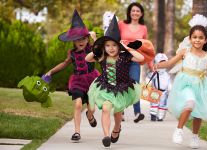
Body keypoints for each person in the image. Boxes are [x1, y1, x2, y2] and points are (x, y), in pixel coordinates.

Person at [154, 14, 207, 149]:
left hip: (201, 85)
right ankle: (179, 130)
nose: (197, 40)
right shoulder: (184, 52)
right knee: (190, 102)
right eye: (194, 37)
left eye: (200, 38)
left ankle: (195, 136)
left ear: (205, 40)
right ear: (190, 38)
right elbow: (169, 63)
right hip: (185, 83)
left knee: (199, 112)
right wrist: (158, 65)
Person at [86, 16, 144, 148]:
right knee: (106, 109)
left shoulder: (125, 57)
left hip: (121, 88)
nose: (111, 48)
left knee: (117, 113)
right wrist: (97, 46)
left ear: (119, 46)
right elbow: (87, 58)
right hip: (106, 87)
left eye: (114, 45)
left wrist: (127, 47)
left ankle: (117, 128)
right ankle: (106, 135)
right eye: (107, 45)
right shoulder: (102, 56)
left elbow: (141, 58)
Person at [45, 9, 99, 141]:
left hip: (92, 80)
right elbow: (64, 64)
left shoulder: (91, 49)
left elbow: (100, 51)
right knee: (78, 104)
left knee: (92, 107)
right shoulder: (72, 53)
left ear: (87, 39)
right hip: (77, 82)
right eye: (77, 39)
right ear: (73, 41)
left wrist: (95, 39)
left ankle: (90, 115)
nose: (81, 41)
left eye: (83, 38)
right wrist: (51, 71)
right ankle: (77, 132)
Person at [118, 2, 153, 123]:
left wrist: (150, 64)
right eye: (133, 11)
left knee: (135, 85)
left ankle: (137, 112)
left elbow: (146, 46)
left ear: (141, 13)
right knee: (121, 84)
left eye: (138, 11)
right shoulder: (121, 24)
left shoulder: (143, 28)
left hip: (135, 59)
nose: (135, 13)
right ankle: (120, 111)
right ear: (129, 12)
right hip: (121, 58)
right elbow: (114, 39)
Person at [148, 53, 171, 121]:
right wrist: (148, 82)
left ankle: (160, 116)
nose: (162, 65)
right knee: (154, 103)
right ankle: (153, 115)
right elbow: (150, 77)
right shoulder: (155, 72)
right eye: (160, 63)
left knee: (163, 104)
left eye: (164, 63)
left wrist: (169, 87)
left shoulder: (167, 74)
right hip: (155, 90)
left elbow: (168, 81)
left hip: (164, 92)